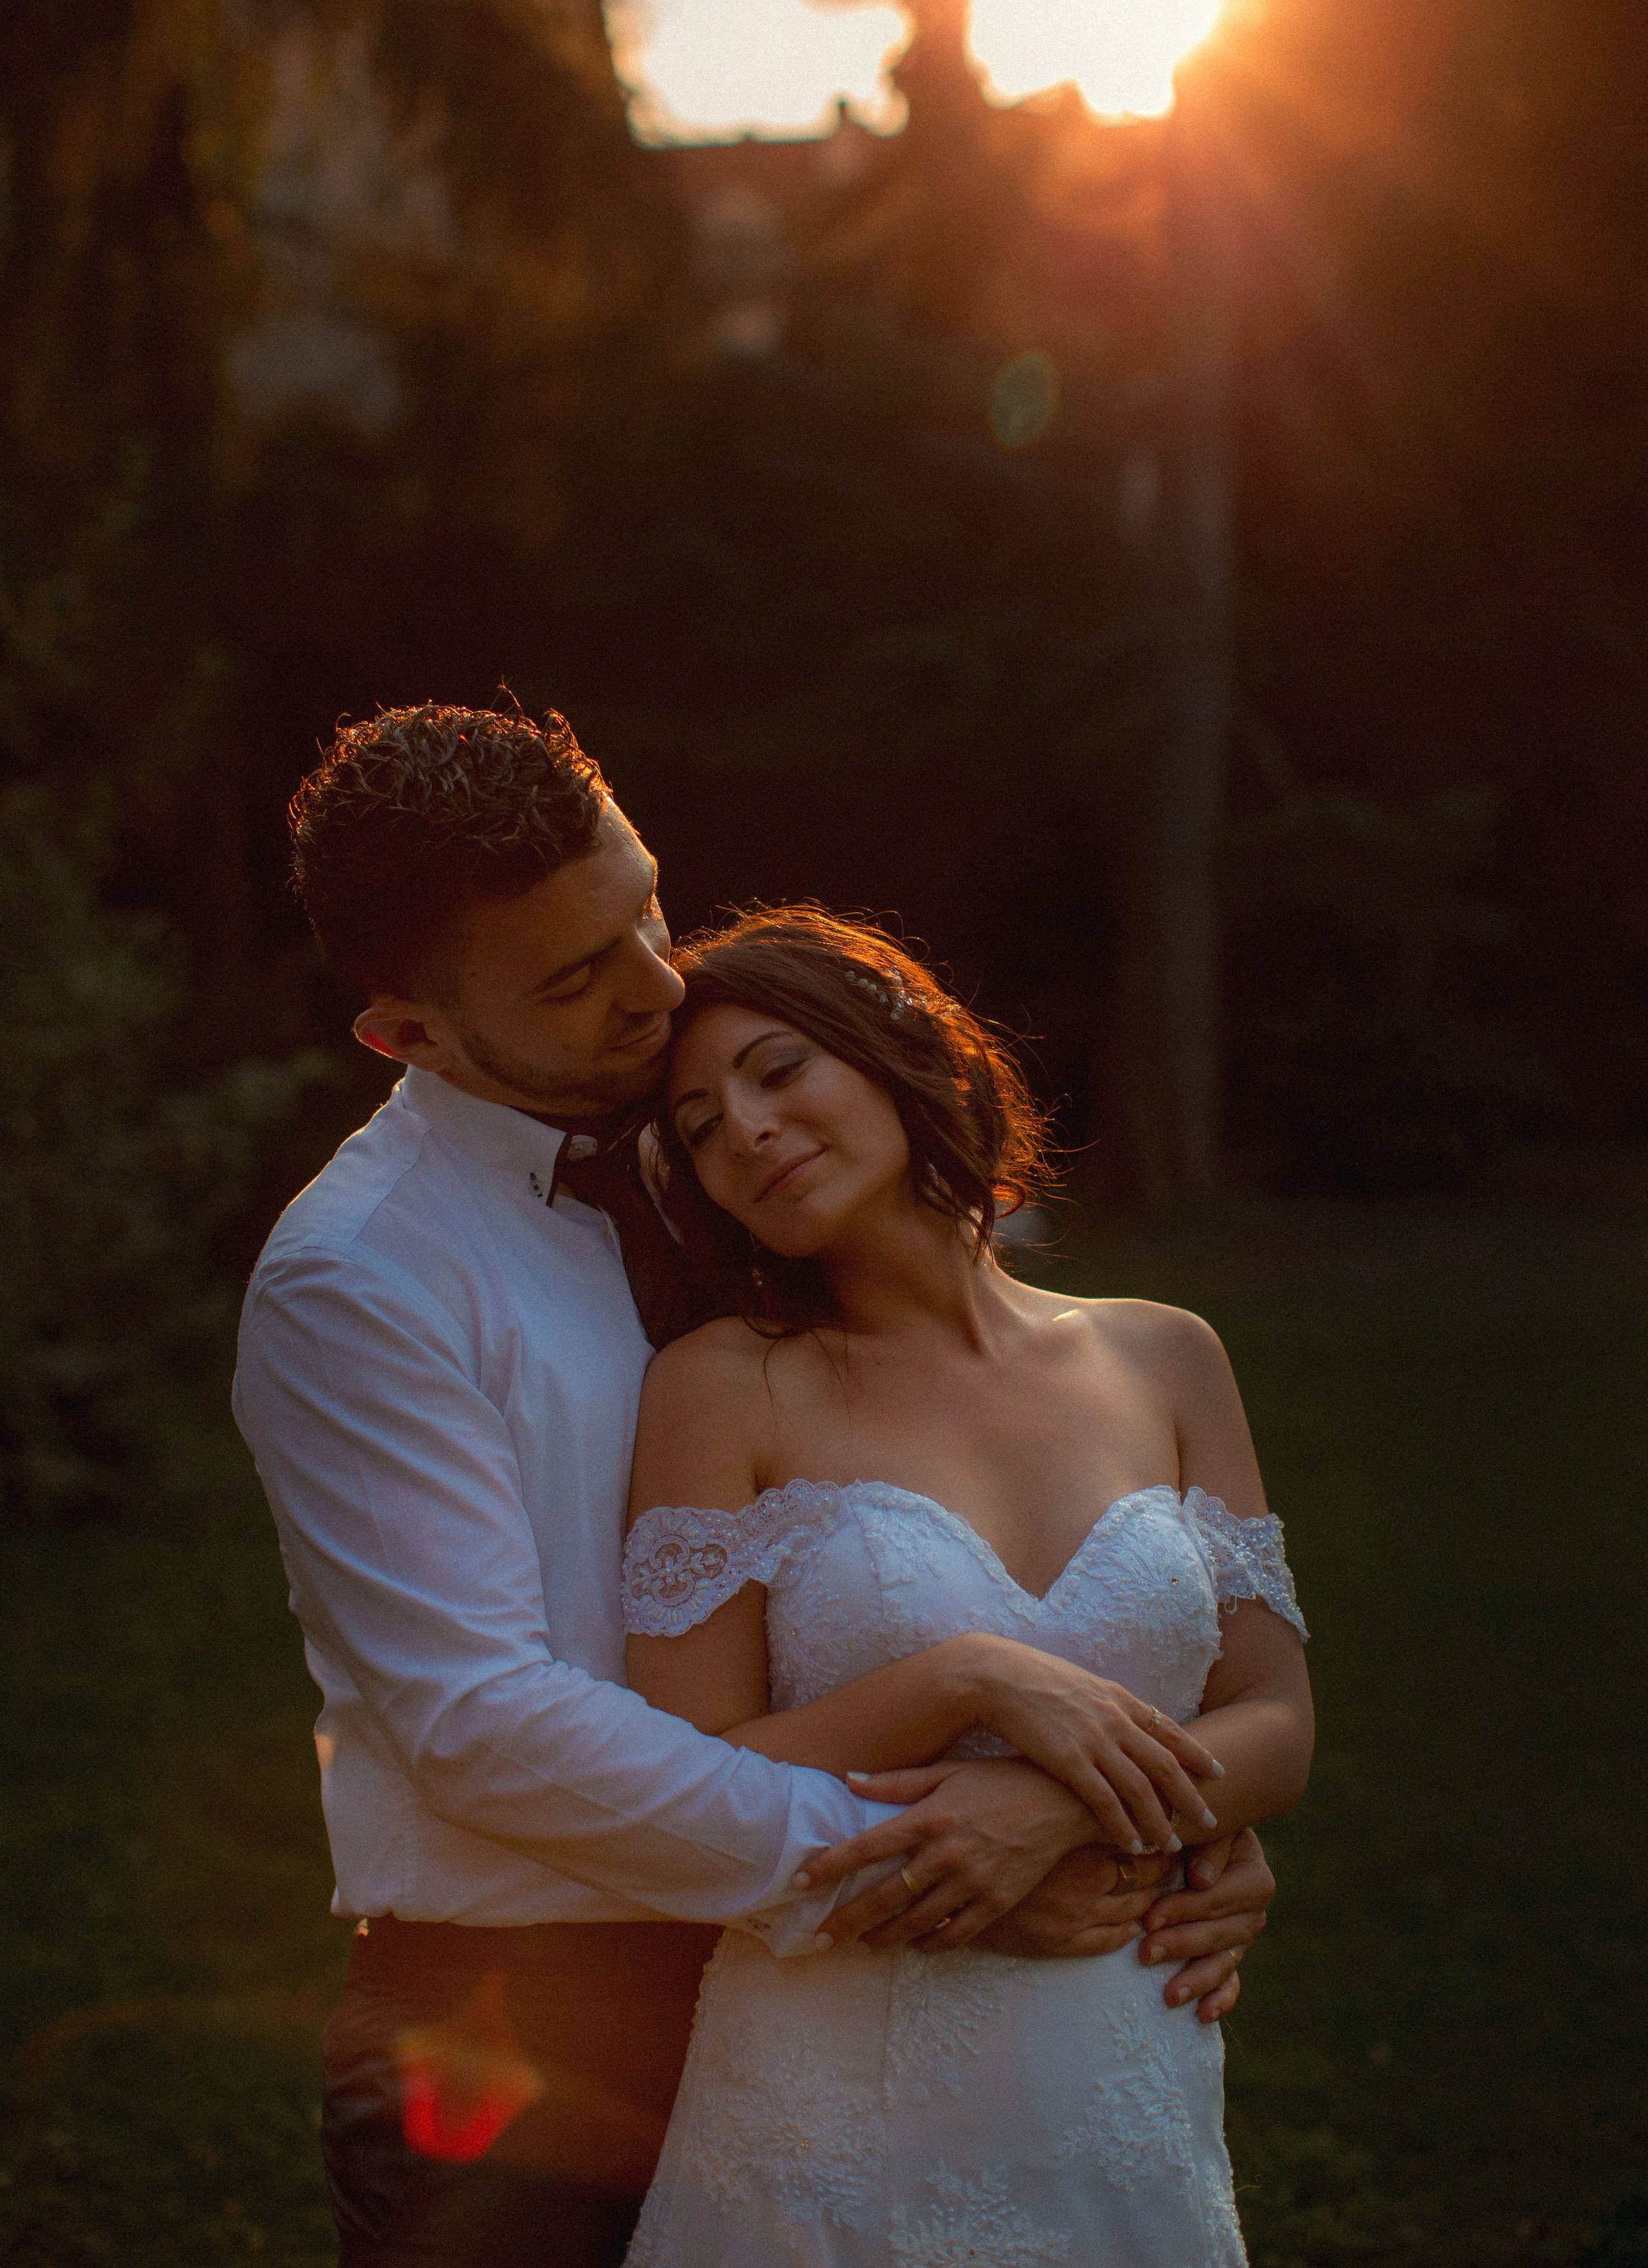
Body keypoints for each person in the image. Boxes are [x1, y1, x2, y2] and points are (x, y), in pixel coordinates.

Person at [232, 702, 1280, 2268]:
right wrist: (944, 1864)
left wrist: (1140, 1815)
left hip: (835, 1999)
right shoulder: (360, 1280)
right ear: (409, 1034)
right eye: (575, 977)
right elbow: (481, 1724)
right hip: (528, 2026)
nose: (658, 988)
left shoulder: (711, 1135)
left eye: (643, 911)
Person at [619, 906, 1314, 2266]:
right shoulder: (723, 1383)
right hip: (831, 2098)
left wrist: (1057, 1808)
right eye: (696, 1125)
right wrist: (958, 1681)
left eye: (773, 1072)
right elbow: (678, 1770)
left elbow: (1276, 1720)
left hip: (1122, 2065)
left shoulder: (1167, 1358)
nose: (743, 1134)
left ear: (894, 1047)